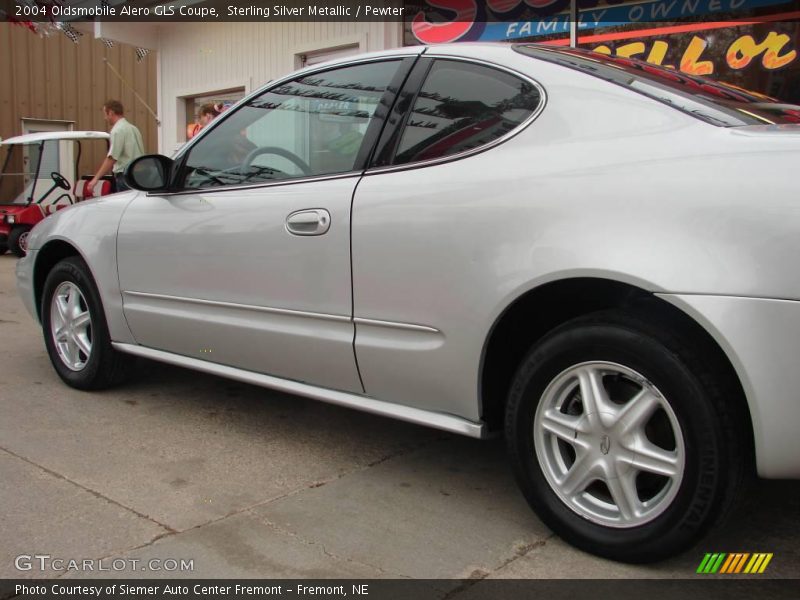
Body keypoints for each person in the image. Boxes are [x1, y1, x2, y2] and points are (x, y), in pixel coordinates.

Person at [88, 100, 145, 193]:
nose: (105, 118)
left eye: (105, 114)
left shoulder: (117, 130)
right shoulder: (134, 129)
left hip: (125, 176)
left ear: (111, 113)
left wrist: (95, 179)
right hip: (139, 175)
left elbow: (112, 157)